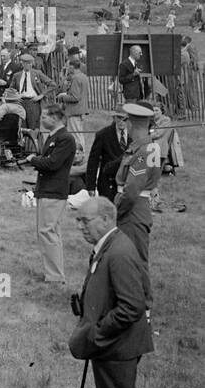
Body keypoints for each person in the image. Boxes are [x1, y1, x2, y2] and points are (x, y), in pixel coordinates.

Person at [69, 197, 153, 388]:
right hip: (113, 342)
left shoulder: (119, 252)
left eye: (85, 221)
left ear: (105, 220)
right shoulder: (109, 245)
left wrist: (98, 332)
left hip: (118, 345)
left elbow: (131, 307)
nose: (80, 227)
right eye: (78, 220)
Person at [26, 103, 77, 285]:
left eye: (45, 117)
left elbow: (53, 163)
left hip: (54, 191)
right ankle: (52, 273)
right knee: (47, 232)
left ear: (55, 118)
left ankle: (55, 277)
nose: (42, 120)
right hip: (46, 190)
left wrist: (34, 159)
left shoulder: (65, 139)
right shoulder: (54, 137)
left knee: (48, 232)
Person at [113, 103, 159, 264]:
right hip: (138, 208)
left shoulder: (143, 150)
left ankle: (141, 290)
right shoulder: (148, 147)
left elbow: (132, 189)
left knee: (134, 261)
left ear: (131, 124)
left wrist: (118, 210)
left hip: (133, 210)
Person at [86, 112, 129, 201]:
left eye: (125, 119)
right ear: (114, 118)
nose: (121, 121)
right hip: (107, 182)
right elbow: (93, 160)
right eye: (119, 118)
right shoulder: (103, 135)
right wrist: (91, 186)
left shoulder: (134, 135)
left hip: (128, 182)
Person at [57, 54, 89, 163]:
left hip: (74, 110)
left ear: (71, 67)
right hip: (80, 110)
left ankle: (79, 158)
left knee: (75, 136)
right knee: (79, 134)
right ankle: (81, 157)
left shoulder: (76, 78)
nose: (66, 68)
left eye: (67, 66)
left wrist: (62, 96)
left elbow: (75, 97)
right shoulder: (83, 76)